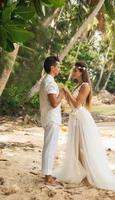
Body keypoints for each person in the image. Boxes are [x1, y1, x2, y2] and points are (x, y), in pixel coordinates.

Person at [55, 61, 115, 191]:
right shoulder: (78, 85)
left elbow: (78, 105)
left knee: (82, 147)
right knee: (76, 147)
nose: (73, 72)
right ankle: (80, 172)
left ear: (81, 72)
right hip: (74, 117)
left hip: (81, 118)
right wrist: (65, 95)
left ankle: (87, 173)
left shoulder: (85, 86)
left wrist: (67, 91)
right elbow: (71, 104)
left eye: (75, 70)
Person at [39, 56, 64, 185]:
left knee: (49, 146)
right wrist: (62, 94)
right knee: (50, 147)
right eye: (58, 66)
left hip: (48, 117)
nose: (59, 69)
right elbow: (54, 103)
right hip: (51, 118)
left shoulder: (47, 80)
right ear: (52, 68)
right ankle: (47, 176)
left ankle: (47, 174)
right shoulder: (50, 82)